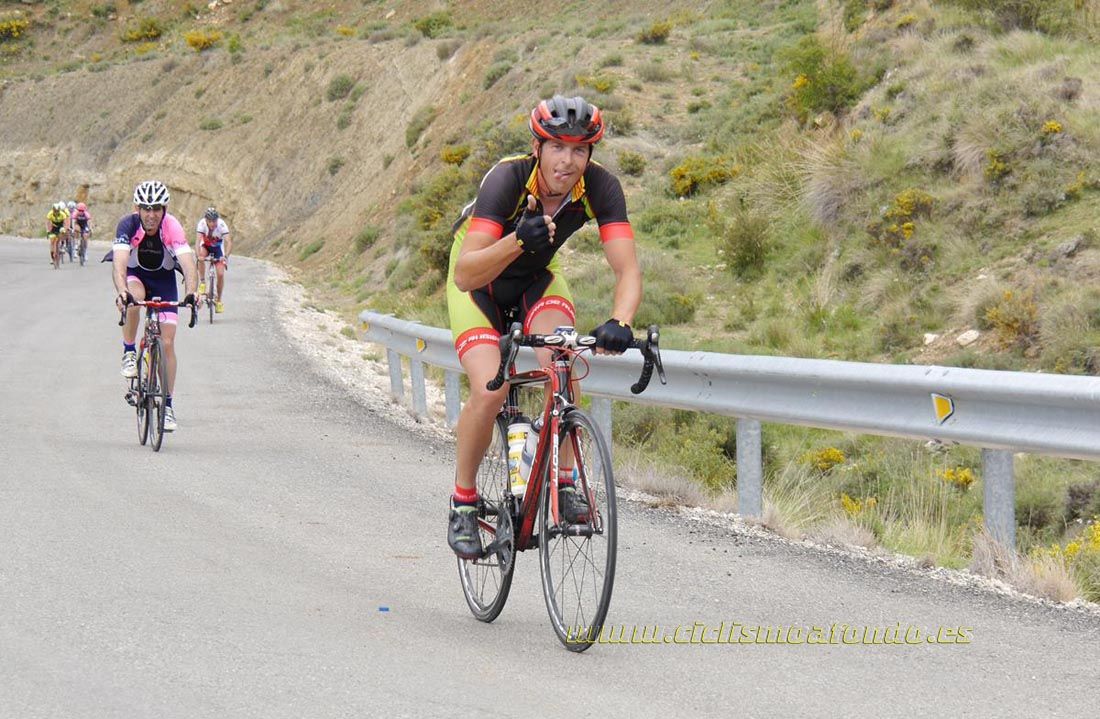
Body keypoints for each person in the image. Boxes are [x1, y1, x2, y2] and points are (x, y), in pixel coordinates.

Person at [444, 95, 642, 558]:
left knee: (564, 356)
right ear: (538, 146)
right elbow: (466, 273)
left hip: (536, 281)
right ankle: (464, 501)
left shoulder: (600, 188)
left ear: (590, 154)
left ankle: (568, 481)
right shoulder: (507, 178)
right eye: (557, 147)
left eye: (579, 150)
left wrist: (621, 320)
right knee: (491, 390)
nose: (567, 161)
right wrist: (517, 239)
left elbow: (627, 269)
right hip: (479, 287)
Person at [111, 181, 198, 432]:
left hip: (164, 281)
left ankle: (167, 406)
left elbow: (188, 263)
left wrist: (191, 292)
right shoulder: (127, 225)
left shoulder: (172, 227)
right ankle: (129, 351)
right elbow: (119, 262)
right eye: (146, 208)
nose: (151, 215)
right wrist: (122, 292)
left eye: (157, 209)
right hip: (135, 276)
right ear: (137, 208)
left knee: (168, 343)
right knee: (134, 299)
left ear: (165, 209)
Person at [195, 206, 231, 313]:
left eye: (214, 221)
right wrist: (198, 256)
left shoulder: (221, 225)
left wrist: (226, 257)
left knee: (220, 274)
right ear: (206, 220)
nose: (212, 224)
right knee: (201, 256)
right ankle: (202, 282)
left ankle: (219, 300)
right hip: (206, 247)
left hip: (218, 250)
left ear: (217, 220)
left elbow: (229, 242)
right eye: (209, 221)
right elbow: (197, 242)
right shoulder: (201, 224)